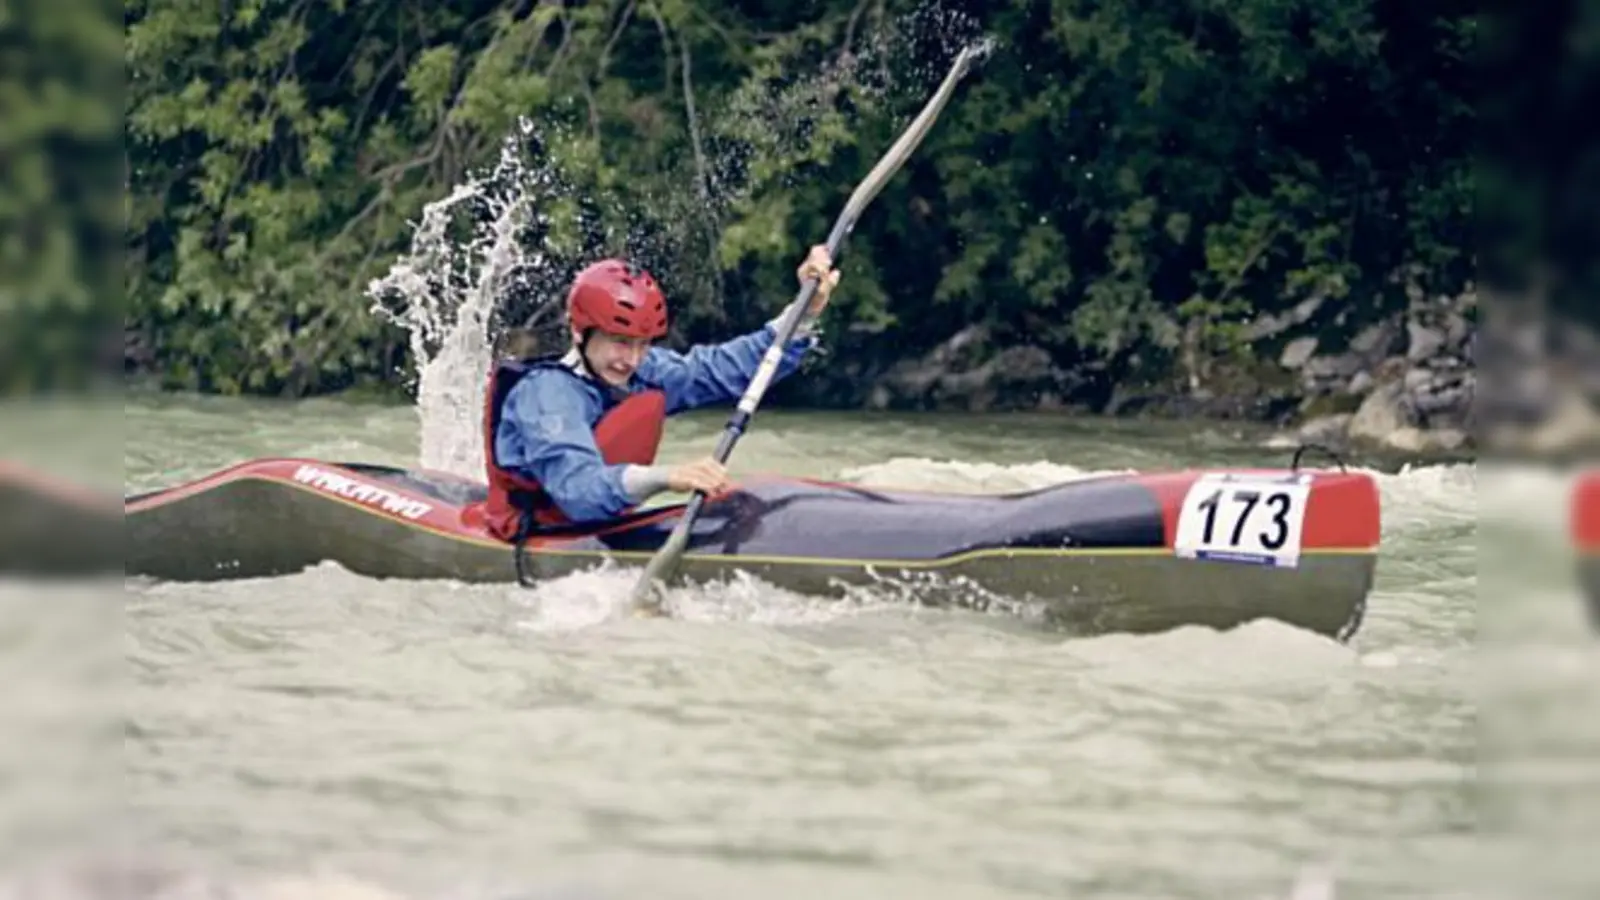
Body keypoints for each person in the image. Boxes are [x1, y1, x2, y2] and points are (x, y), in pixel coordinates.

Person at [473, 245, 841, 543]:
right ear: (579, 332)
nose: (631, 359)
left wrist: (803, 313)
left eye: (643, 345)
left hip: (601, 524)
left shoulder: (642, 372)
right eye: (619, 343)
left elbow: (721, 369)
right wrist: (669, 477)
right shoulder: (546, 395)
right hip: (541, 531)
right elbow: (580, 492)